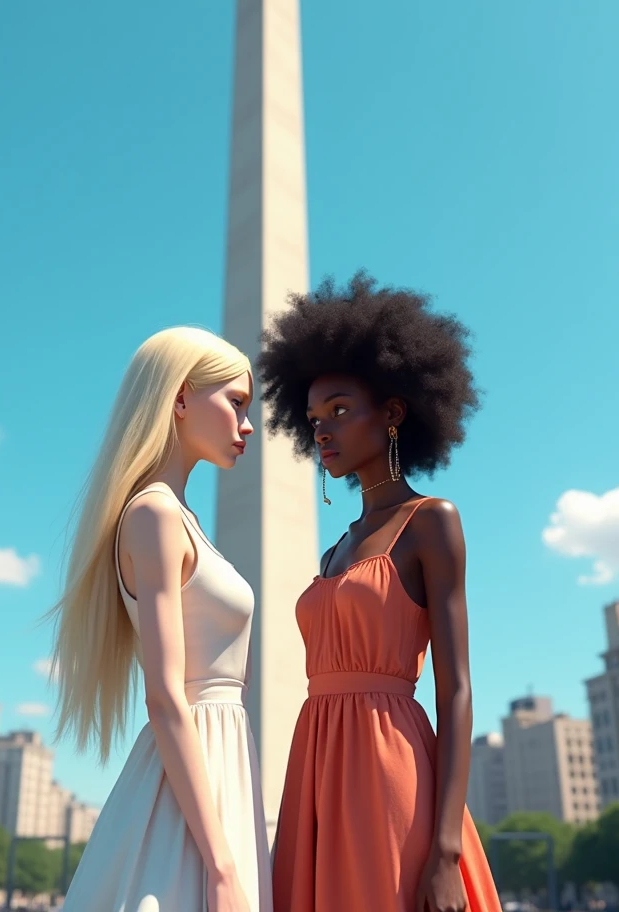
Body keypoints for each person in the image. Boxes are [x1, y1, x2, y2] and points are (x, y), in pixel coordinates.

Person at [258, 273, 501, 912]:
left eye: (340, 410)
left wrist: (445, 848)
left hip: (392, 766)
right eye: (313, 419)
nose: (323, 431)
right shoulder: (333, 549)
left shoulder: (432, 522)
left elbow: (457, 688)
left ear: (393, 412)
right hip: (314, 761)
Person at [49, 326, 272, 911]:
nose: (248, 425)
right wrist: (222, 866)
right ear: (178, 399)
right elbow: (166, 698)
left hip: (216, 767)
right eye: (236, 404)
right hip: (191, 780)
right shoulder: (155, 514)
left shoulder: (179, 517)